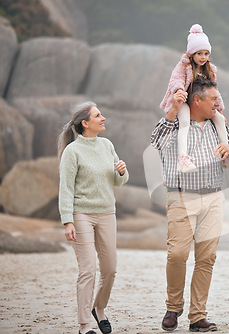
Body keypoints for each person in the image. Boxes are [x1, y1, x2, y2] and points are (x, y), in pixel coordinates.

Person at [151, 76, 229, 332]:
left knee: (206, 258)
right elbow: (156, 143)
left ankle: (197, 316)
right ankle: (173, 306)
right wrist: (172, 108)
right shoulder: (175, 124)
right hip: (181, 196)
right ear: (197, 100)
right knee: (178, 254)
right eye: (214, 99)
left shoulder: (219, 125)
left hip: (214, 197)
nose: (218, 103)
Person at [58, 102, 129, 334]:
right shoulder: (72, 152)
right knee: (88, 269)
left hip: (107, 213)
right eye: (98, 116)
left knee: (110, 270)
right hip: (81, 215)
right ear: (85, 123)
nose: (103, 118)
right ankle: (84, 325)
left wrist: (121, 171)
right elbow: (66, 188)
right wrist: (67, 220)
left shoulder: (107, 145)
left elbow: (119, 181)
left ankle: (99, 309)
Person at [159, 23, 229, 173]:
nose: (203, 57)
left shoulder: (210, 69)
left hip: (202, 102)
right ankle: (183, 159)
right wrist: (179, 91)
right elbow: (175, 80)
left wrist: (219, 110)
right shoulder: (183, 65)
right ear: (192, 54)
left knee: (220, 120)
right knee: (184, 123)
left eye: (206, 54)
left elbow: (215, 91)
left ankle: (226, 155)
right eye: (199, 53)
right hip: (184, 100)